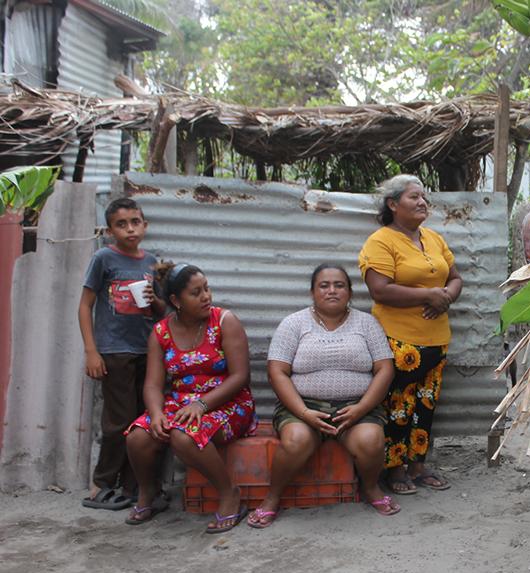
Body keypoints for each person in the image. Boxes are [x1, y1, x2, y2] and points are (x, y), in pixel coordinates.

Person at [247, 264, 398, 528]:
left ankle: (371, 488)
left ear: (349, 292)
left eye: (339, 285)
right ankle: (272, 497)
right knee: (295, 441)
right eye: (324, 285)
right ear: (312, 292)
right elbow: (277, 372)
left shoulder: (367, 323)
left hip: (355, 406)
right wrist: (304, 413)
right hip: (303, 407)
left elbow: (385, 368)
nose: (332, 291)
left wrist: (361, 408)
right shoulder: (294, 323)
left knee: (371, 440)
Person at [125, 264, 258, 532]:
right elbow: (152, 385)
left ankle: (230, 493)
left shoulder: (224, 321)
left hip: (228, 402)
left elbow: (240, 376)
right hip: (179, 404)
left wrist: (202, 403)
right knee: (137, 436)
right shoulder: (161, 332)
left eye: (207, 288)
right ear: (176, 301)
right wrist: (157, 413)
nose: (206, 296)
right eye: (196, 292)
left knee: (184, 435)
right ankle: (150, 493)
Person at [359, 175, 463, 495]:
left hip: (436, 339)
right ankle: (394, 470)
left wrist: (445, 297)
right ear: (393, 204)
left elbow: (455, 278)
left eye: (424, 198)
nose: (422, 203)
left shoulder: (433, 238)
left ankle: (418, 466)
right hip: (398, 340)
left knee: (426, 405)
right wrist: (428, 296)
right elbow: (380, 290)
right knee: (398, 406)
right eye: (413, 197)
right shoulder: (381, 241)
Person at [78, 198, 165, 510]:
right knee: (118, 422)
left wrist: (155, 299)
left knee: (142, 422)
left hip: (147, 351)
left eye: (135, 222)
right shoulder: (104, 258)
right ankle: (100, 484)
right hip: (115, 351)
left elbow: (161, 313)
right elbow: (85, 305)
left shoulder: (151, 262)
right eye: (122, 224)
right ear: (110, 229)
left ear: (145, 225)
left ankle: (132, 487)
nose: (130, 229)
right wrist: (92, 351)